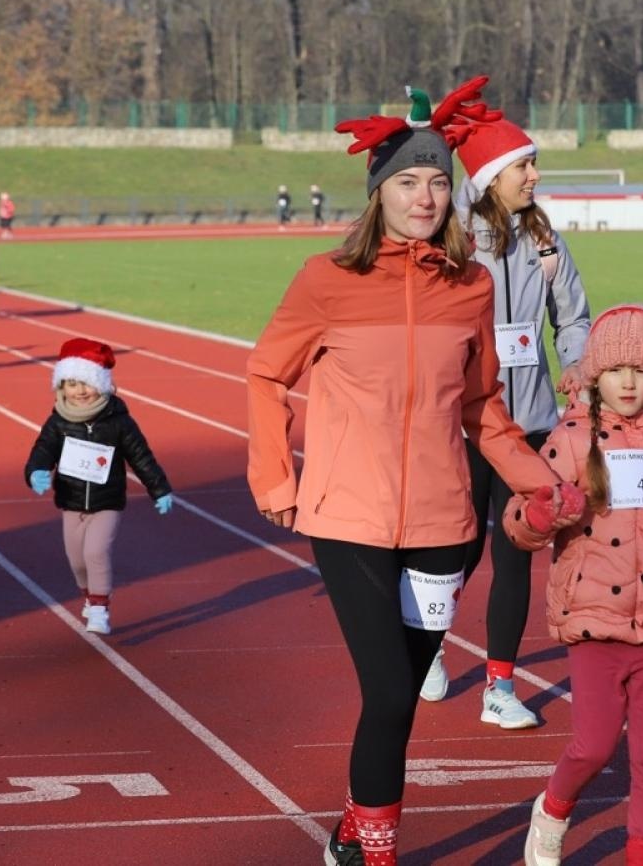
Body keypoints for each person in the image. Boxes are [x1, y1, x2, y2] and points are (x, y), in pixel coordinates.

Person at [246, 78, 584, 866]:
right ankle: (380, 854)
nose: (425, 195)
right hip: (346, 518)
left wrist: (544, 485)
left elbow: (484, 413)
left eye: (437, 180)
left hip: (441, 523)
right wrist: (275, 478)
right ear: (379, 194)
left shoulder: (470, 287)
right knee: (393, 692)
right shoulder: (325, 279)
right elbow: (266, 375)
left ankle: (352, 834)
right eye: (407, 181)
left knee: (395, 701)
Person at [504, 289, 643, 866]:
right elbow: (519, 521)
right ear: (595, 376)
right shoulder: (573, 442)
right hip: (595, 625)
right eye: (616, 371)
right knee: (595, 745)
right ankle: (552, 811)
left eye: (642, 371)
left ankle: (641, 856)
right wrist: (538, 516)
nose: (629, 383)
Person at [422, 101, 592, 728]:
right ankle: (430, 647)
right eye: (525, 164)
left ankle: (499, 688)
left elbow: (572, 317)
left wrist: (575, 361)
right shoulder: (452, 236)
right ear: (492, 174)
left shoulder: (545, 238)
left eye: (535, 165)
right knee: (457, 551)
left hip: (533, 423)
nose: (535, 176)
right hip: (466, 425)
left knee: (517, 550)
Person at [24, 339, 173, 634]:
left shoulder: (118, 421)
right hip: (71, 501)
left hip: (108, 502)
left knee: (95, 552)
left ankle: (100, 609)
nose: (80, 391)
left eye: (87, 383)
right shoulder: (57, 422)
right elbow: (43, 450)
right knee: (77, 561)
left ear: (102, 384)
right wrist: (35, 471)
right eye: (73, 384)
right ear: (61, 387)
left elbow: (141, 457)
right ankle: (90, 597)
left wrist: (160, 488)